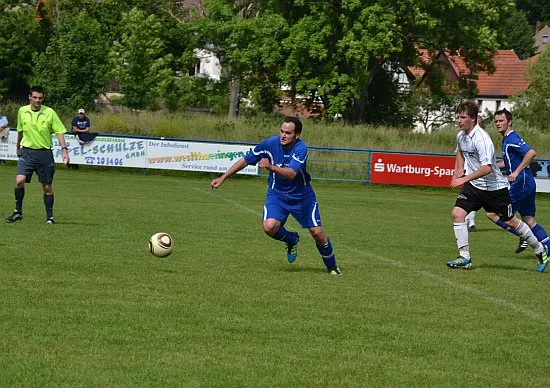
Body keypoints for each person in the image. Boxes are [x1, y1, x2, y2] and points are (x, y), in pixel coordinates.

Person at [210, 116, 341, 275]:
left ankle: (332, 267)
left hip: (302, 196)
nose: (283, 135)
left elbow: (292, 173)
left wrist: (270, 167)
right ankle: (291, 239)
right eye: (281, 131)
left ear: (297, 135)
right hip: (277, 195)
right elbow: (245, 160)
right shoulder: (269, 144)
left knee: (317, 233)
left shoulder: (301, 148)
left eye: (288, 132)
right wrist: (223, 177)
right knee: (269, 227)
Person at [447, 101, 548, 272]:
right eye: (458, 117)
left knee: (511, 221)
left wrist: (463, 180)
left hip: (494, 188)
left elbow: (487, 168)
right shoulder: (461, 136)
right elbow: (460, 152)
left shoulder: (482, 139)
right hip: (474, 186)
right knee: (457, 214)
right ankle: (465, 257)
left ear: (473, 119)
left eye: (462, 117)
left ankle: (539, 249)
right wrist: (458, 170)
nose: (459, 120)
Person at [483, 108, 550, 254]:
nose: (498, 124)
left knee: (494, 214)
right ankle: (548, 249)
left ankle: (525, 236)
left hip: (521, 184)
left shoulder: (512, 138)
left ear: (509, 121)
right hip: (527, 184)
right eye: (496, 121)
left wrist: (516, 172)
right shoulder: (507, 139)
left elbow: (531, 153)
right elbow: (507, 163)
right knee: (529, 220)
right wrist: (491, 166)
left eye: (501, 121)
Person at [5, 85, 70, 224]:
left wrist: (64, 150)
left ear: (43, 98)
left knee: (47, 187)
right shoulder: (22, 111)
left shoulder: (50, 112)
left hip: (44, 153)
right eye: (34, 97)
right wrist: (18, 147)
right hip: (27, 151)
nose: (37, 100)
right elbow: (21, 131)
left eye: (40, 98)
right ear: (29, 97)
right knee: (19, 181)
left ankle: (50, 217)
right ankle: (17, 212)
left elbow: (59, 131)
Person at [464, 114, 484, 232]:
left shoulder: (483, 138)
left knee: (478, 199)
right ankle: (469, 220)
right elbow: (460, 154)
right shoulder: (464, 137)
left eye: (480, 123)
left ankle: (469, 219)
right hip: (470, 172)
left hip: (481, 173)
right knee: (472, 198)